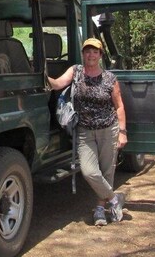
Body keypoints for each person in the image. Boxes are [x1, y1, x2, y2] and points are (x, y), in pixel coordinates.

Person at [48, 37, 127, 225]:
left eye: (95, 51)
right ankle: (114, 199)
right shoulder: (76, 72)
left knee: (107, 171)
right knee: (89, 171)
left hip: (108, 129)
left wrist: (122, 132)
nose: (91, 54)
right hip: (85, 131)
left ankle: (100, 210)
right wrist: (41, 76)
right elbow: (58, 84)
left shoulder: (109, 78)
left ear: (100, 55)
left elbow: (119, 106)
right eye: (87, 51)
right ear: (83, 54)